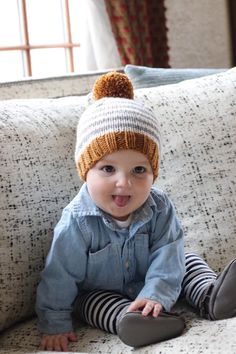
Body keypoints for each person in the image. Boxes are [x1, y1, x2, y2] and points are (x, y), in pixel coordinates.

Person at [36, 72, 236, 352]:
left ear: (153, 173)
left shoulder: (159, 206)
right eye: (108, 169)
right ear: (85, 171)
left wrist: (156, 294)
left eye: (139, 170)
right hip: (100, 292)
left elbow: (167, 256)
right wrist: (55, 324)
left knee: (185, 259)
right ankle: (133, 321)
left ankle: (210, 297)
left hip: (155, 277)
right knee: (91, 302)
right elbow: (59, 276)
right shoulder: (77, 221)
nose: (124, 183)